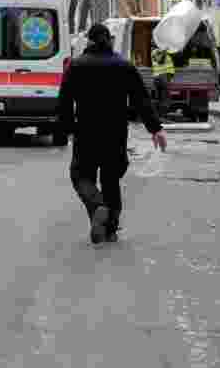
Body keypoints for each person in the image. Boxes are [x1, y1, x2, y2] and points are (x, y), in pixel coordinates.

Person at [58, 24, 167, 245]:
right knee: (111, 180)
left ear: (89, 41)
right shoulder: (124, 66)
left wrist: (68, 129)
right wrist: (155, 128)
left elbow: (64, 100)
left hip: (86, 132)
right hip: (115, 133)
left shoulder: (76, 66)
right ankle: (110, 230)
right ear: (110, 40)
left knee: (81, 176)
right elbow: (141, 99)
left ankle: (98, 207)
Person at [150, 43, 174, 116]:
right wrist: (164, 51)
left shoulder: (159, 52)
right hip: (161, 76)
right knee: (164, 98)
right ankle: (161, 115)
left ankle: (159, 115)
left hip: (161, 76)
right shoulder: (155, 51)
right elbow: (160, 61)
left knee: (161, 97)